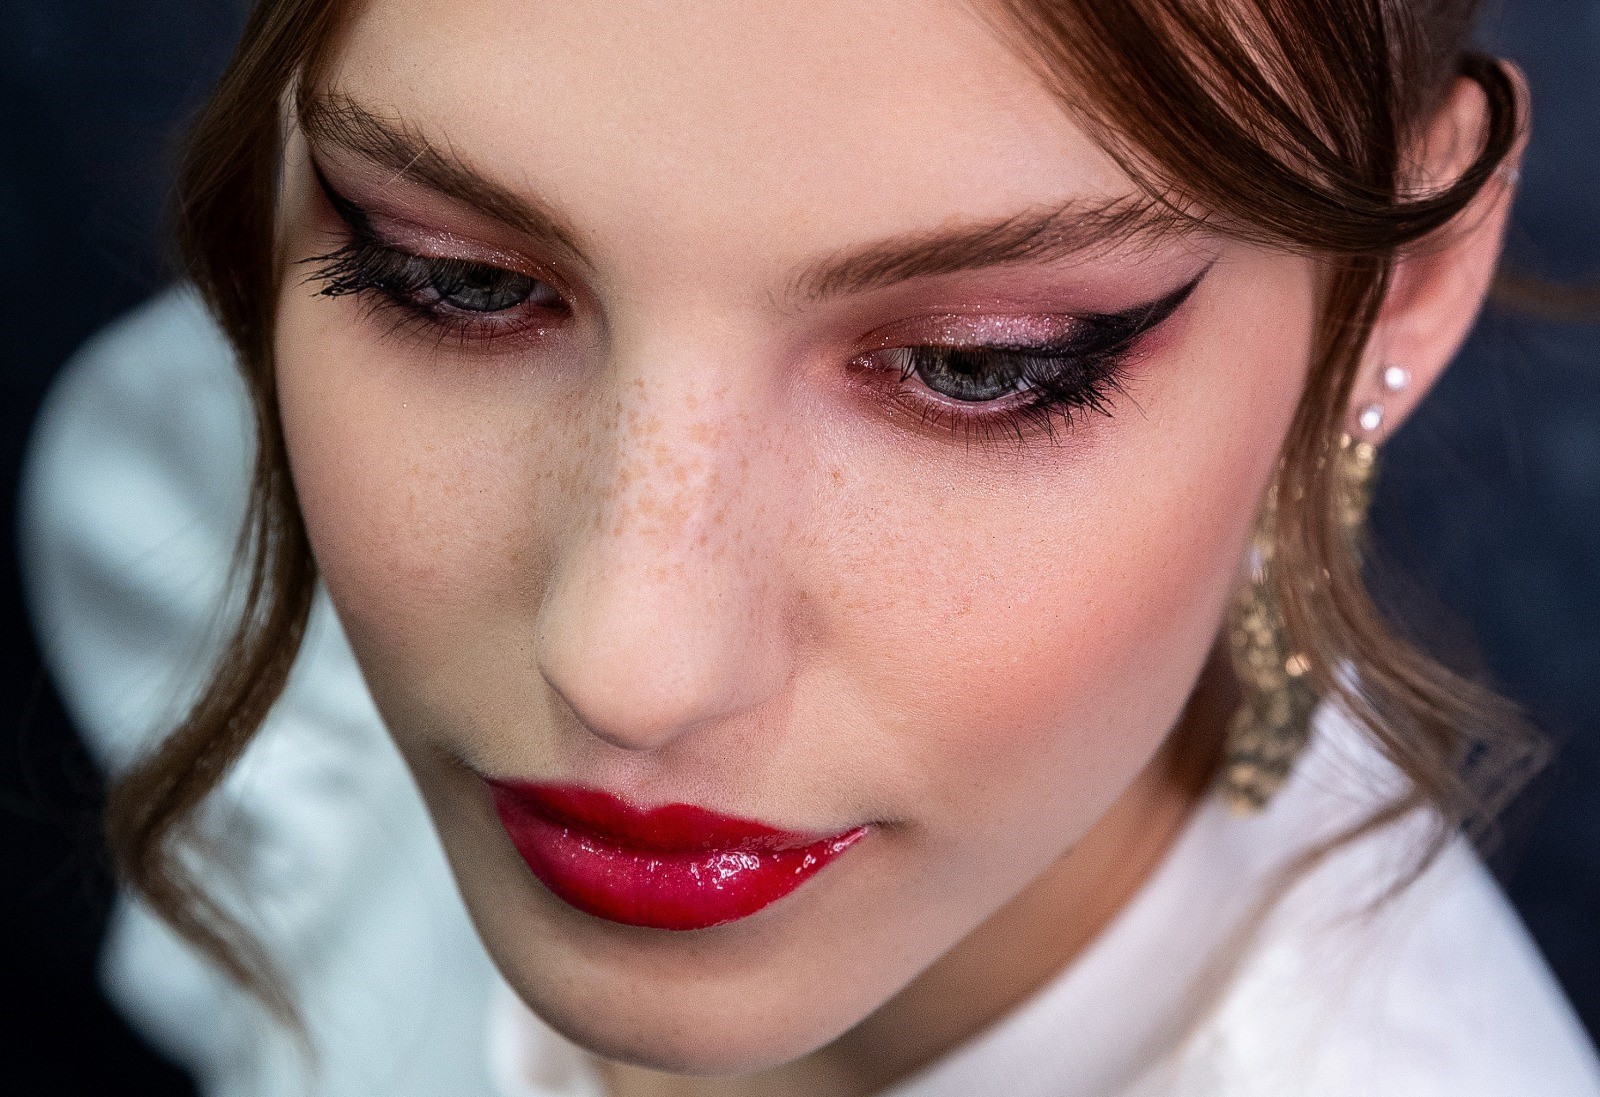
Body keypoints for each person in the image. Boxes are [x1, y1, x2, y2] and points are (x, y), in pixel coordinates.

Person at [22, 0, 1600, 1094]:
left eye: (974, 365)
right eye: (460, 281)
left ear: (1395, 294)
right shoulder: (183, 482)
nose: (626, 666)